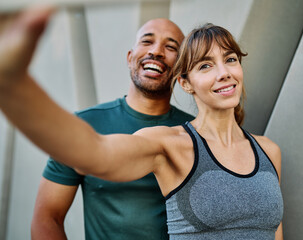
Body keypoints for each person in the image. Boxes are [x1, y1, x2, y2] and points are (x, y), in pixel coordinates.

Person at [0, 6, 283, 240]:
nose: (224, 73)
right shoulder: (170, 142)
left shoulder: (269, 151)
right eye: (206, 65)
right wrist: (13, 84)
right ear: (184, 82)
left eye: (230, 59)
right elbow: (95, 153)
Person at [27, 8, 194, 240]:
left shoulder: (197, 133)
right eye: (147, 41)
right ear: (129, 57)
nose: (156, 51)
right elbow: (47, 217)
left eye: (171, 47)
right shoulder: (83, 125)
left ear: (181, 70)